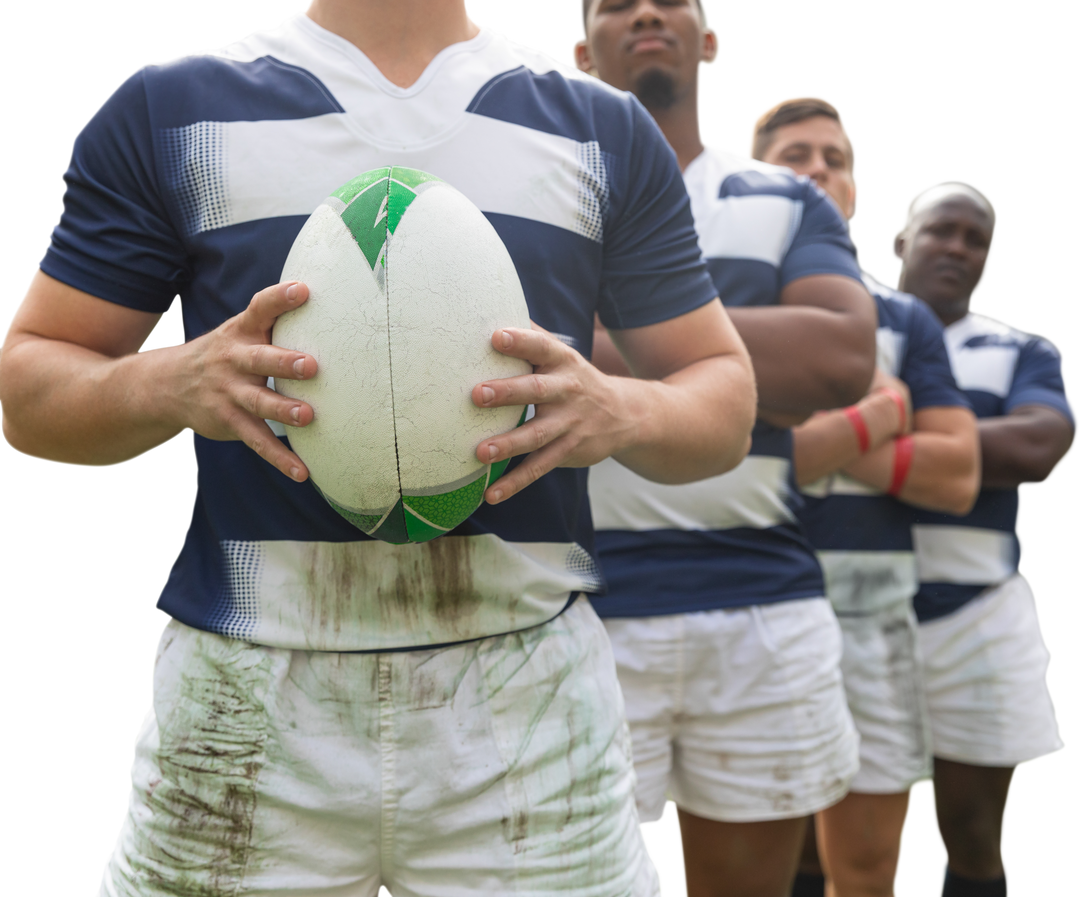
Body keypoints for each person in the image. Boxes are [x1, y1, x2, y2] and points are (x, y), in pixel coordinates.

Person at [0, 1, 759, 894]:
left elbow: (722, 397)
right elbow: (29, 396)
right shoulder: (176, 109)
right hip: (246, 706)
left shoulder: (595, 124)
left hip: (527, 707)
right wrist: (170, 381)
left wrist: (622, 411)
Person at [571, 4, 878, 895]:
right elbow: (502, 353)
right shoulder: (538, 193)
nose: (646, 13)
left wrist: (598, 339)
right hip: (575, 606)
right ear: (583, 52)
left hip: (763, 606)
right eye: (617, 4)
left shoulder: (781, 196)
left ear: (709, 41)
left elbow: (841, 357)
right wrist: (728, 362)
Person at [746, 93, 981, 897]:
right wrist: (881, 410)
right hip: (751, 616)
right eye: (794, 157)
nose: (818, 170)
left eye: (835, 159)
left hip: (878, 616)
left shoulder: (906, 320)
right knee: (750, 869)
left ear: (855, 188)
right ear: (752, 181)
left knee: (870, 870)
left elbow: (956, 478)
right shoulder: (719, 309)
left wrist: (811, 432)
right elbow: (729, 467)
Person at [890, 177, 1075, 896]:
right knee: (829, 833)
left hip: (976, 613)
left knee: (970, 830)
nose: (959, 249)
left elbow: (1037, 448)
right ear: (899, 241)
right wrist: (969, 445)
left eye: (978, 241)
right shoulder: (845, 331)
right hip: (849, 613)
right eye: (942, 231)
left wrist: (875, 439)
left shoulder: (1021, 348)